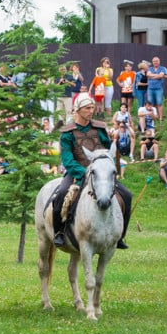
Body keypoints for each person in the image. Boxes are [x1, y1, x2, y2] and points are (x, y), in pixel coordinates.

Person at [50, 95, 132, 250]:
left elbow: (109, 152)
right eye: (87, 108)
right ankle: (59, 232)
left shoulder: (100, 129)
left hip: (102, 174)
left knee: (126, 195)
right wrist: (85, 173)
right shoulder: (68, 133)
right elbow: (67, 160)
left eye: (92, 108)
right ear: (78, 110)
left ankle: (120, 236)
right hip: (77, 173)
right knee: (60, 194)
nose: (91, 111)